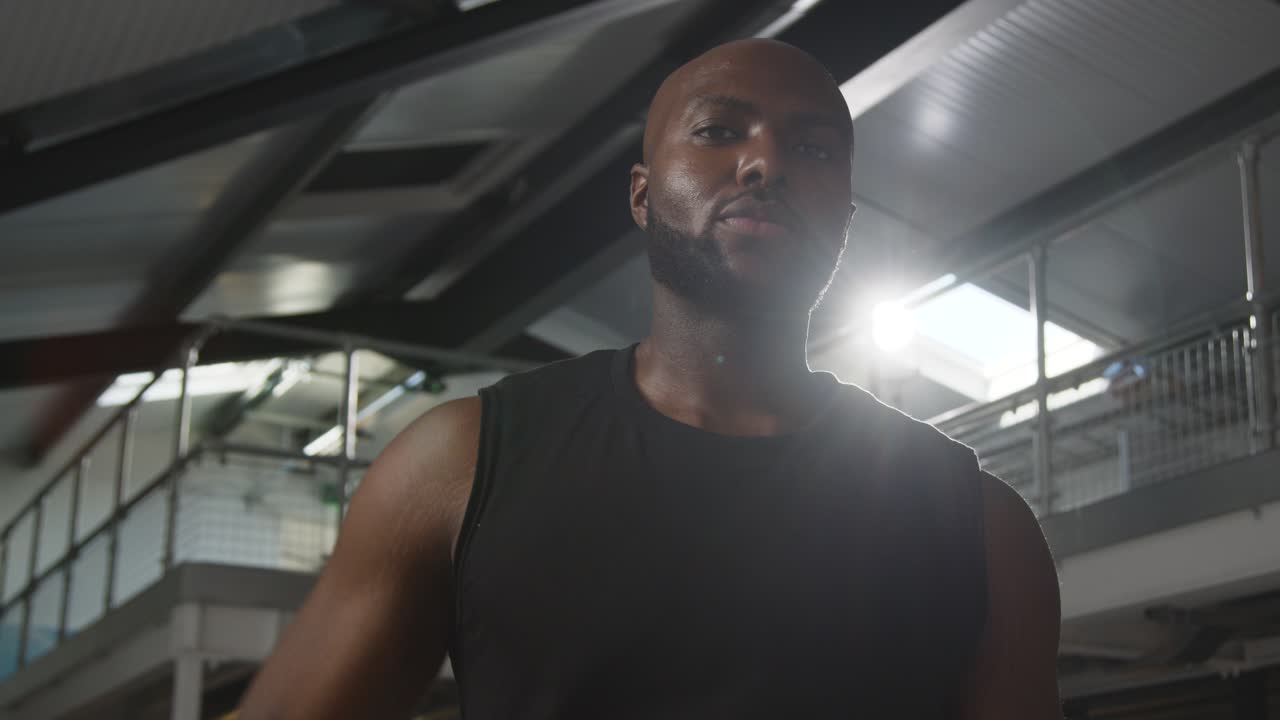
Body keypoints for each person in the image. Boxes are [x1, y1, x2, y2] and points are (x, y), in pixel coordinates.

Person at [239, 38, 1061, 719]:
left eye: (811, 147)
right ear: (640, 195)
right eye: (717, 133)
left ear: (846, 216)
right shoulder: (458, 467)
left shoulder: (982, 528)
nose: (763, 162)